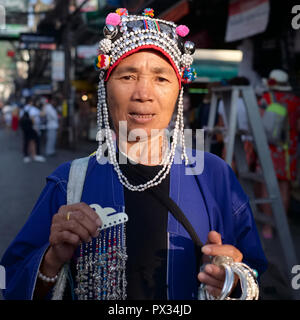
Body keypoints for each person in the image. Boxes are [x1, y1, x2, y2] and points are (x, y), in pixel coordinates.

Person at [1, 9, 267, 300]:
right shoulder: (68, 182)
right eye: (127, 76)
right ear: (106, 88)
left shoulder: (214, 176)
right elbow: (10, 281)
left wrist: (231, 279)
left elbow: (253, 273)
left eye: (161, 79)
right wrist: (52, 259)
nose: (143, 93)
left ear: (178, 91)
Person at [258, 69, 300, 238]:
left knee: (267, 186)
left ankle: (268, 227)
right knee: (284, 188)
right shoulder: (296, 101)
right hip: (289, 149)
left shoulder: (266, 99)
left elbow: (260, 125)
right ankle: (282, 226)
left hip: (269, 147)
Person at [20, 98, 46, 163]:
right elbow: (36, 116)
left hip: (25, 128)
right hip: (31, 128)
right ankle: (34, 155)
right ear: (31, 102)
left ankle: (27, 155)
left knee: (27, 141)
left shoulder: (24, 108)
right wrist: (34, 126)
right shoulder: (33, 109)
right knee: (34, 141)